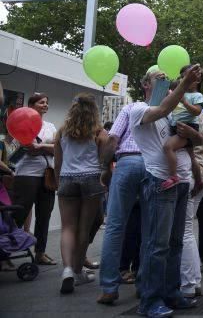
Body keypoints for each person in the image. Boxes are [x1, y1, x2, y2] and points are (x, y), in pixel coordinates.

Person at [134, 65, 203, 318]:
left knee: (174, 243)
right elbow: (161, 108)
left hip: (180, 183)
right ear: (145, 85)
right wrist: (185, 84)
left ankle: (171, 293)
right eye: (158, 80)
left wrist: (193, 133)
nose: (165, 84)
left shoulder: (172, 114)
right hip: (159, 182)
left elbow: (200, 143)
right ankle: (150, 300)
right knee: (158, 244)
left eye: (167, 80)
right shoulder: (138, 109)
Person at [54, 94, 111, 294]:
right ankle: (78, 271)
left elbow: (58, 163)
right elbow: (104, 160)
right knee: (84, 229)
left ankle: (68, 270)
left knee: (67, 228)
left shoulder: (61, 132)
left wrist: (56, 183)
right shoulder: (99, 132)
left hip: (67, 179)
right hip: (91, 179)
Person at [97, 102, 144, 304]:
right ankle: (144, 285)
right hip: (153, 165)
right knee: (150, 228)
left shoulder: (130, 107)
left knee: (115, 227)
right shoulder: (165, 108)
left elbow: (113, 138)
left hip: (127, 162)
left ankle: (109, 287)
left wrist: (105, 167)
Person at [10, 92, 58, 266]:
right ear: (31, 105)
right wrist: (46, 147)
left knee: (44, 215)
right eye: (41, 102)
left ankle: (40, 253)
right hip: (26, 175)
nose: (45, 105)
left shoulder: (51, 126)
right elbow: (27, 147)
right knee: (18, 214)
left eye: (46, 102)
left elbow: (57, 148)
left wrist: (41, 146)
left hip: (47, 175)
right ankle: (5, 251)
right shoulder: (21, 121)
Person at [180, 111, 203, 299]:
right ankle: (193, 280)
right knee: (188, 229)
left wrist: (191, 158)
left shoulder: (179, 111)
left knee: (184, 230)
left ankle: (189, 283)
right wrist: (199, 156)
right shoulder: (202, 115)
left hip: (188, 172)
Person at [161, 66, 203, 191]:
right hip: (178, 125)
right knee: (192, 157)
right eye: (182, 77)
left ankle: (173, 176)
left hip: (188, 127)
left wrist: (185, 102)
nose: (183, 80)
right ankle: (199, 181)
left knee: (168, 147)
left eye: (186, 77)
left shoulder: (197, 95)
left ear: (197, 80)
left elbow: (197, 111)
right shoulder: (180, 92)